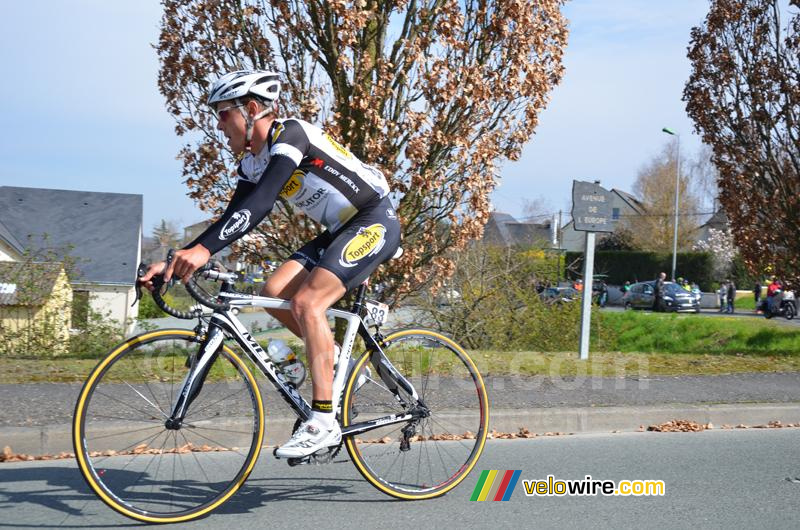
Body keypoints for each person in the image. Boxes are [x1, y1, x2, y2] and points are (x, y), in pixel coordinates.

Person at [139, 70, 401, 458]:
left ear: (251, 109)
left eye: (223, 114)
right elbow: (233, 218)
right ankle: (335, 368)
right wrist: (174, 261)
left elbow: (261, 204)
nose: (218, 125)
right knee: (273, 292)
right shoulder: (252, 164)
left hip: (373, 220)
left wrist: (203, 252)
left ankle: (323, 421)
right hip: (339, 230)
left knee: (308, 303)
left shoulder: (291, 136)